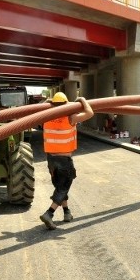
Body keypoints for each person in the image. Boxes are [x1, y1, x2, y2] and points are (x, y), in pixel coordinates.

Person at [39, 92, 94, 230]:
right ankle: (49, 214)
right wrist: (82, 99)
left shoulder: (45, 118)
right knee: (63, 187)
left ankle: (67, 213)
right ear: (66, 104)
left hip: (51, 159)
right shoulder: (71, 117)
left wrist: (47, 102)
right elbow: (90, 112)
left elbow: (39, 108)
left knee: (60, 187)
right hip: (64, 160)